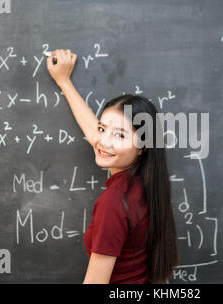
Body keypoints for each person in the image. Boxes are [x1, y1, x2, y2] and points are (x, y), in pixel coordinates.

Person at [46, 49, 178, 284]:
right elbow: (96, 134)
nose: (103, 141)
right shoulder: (145, 185)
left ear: (142, 146)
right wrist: (63, 81)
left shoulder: (114, 202)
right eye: (103, 129)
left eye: (120, 135)